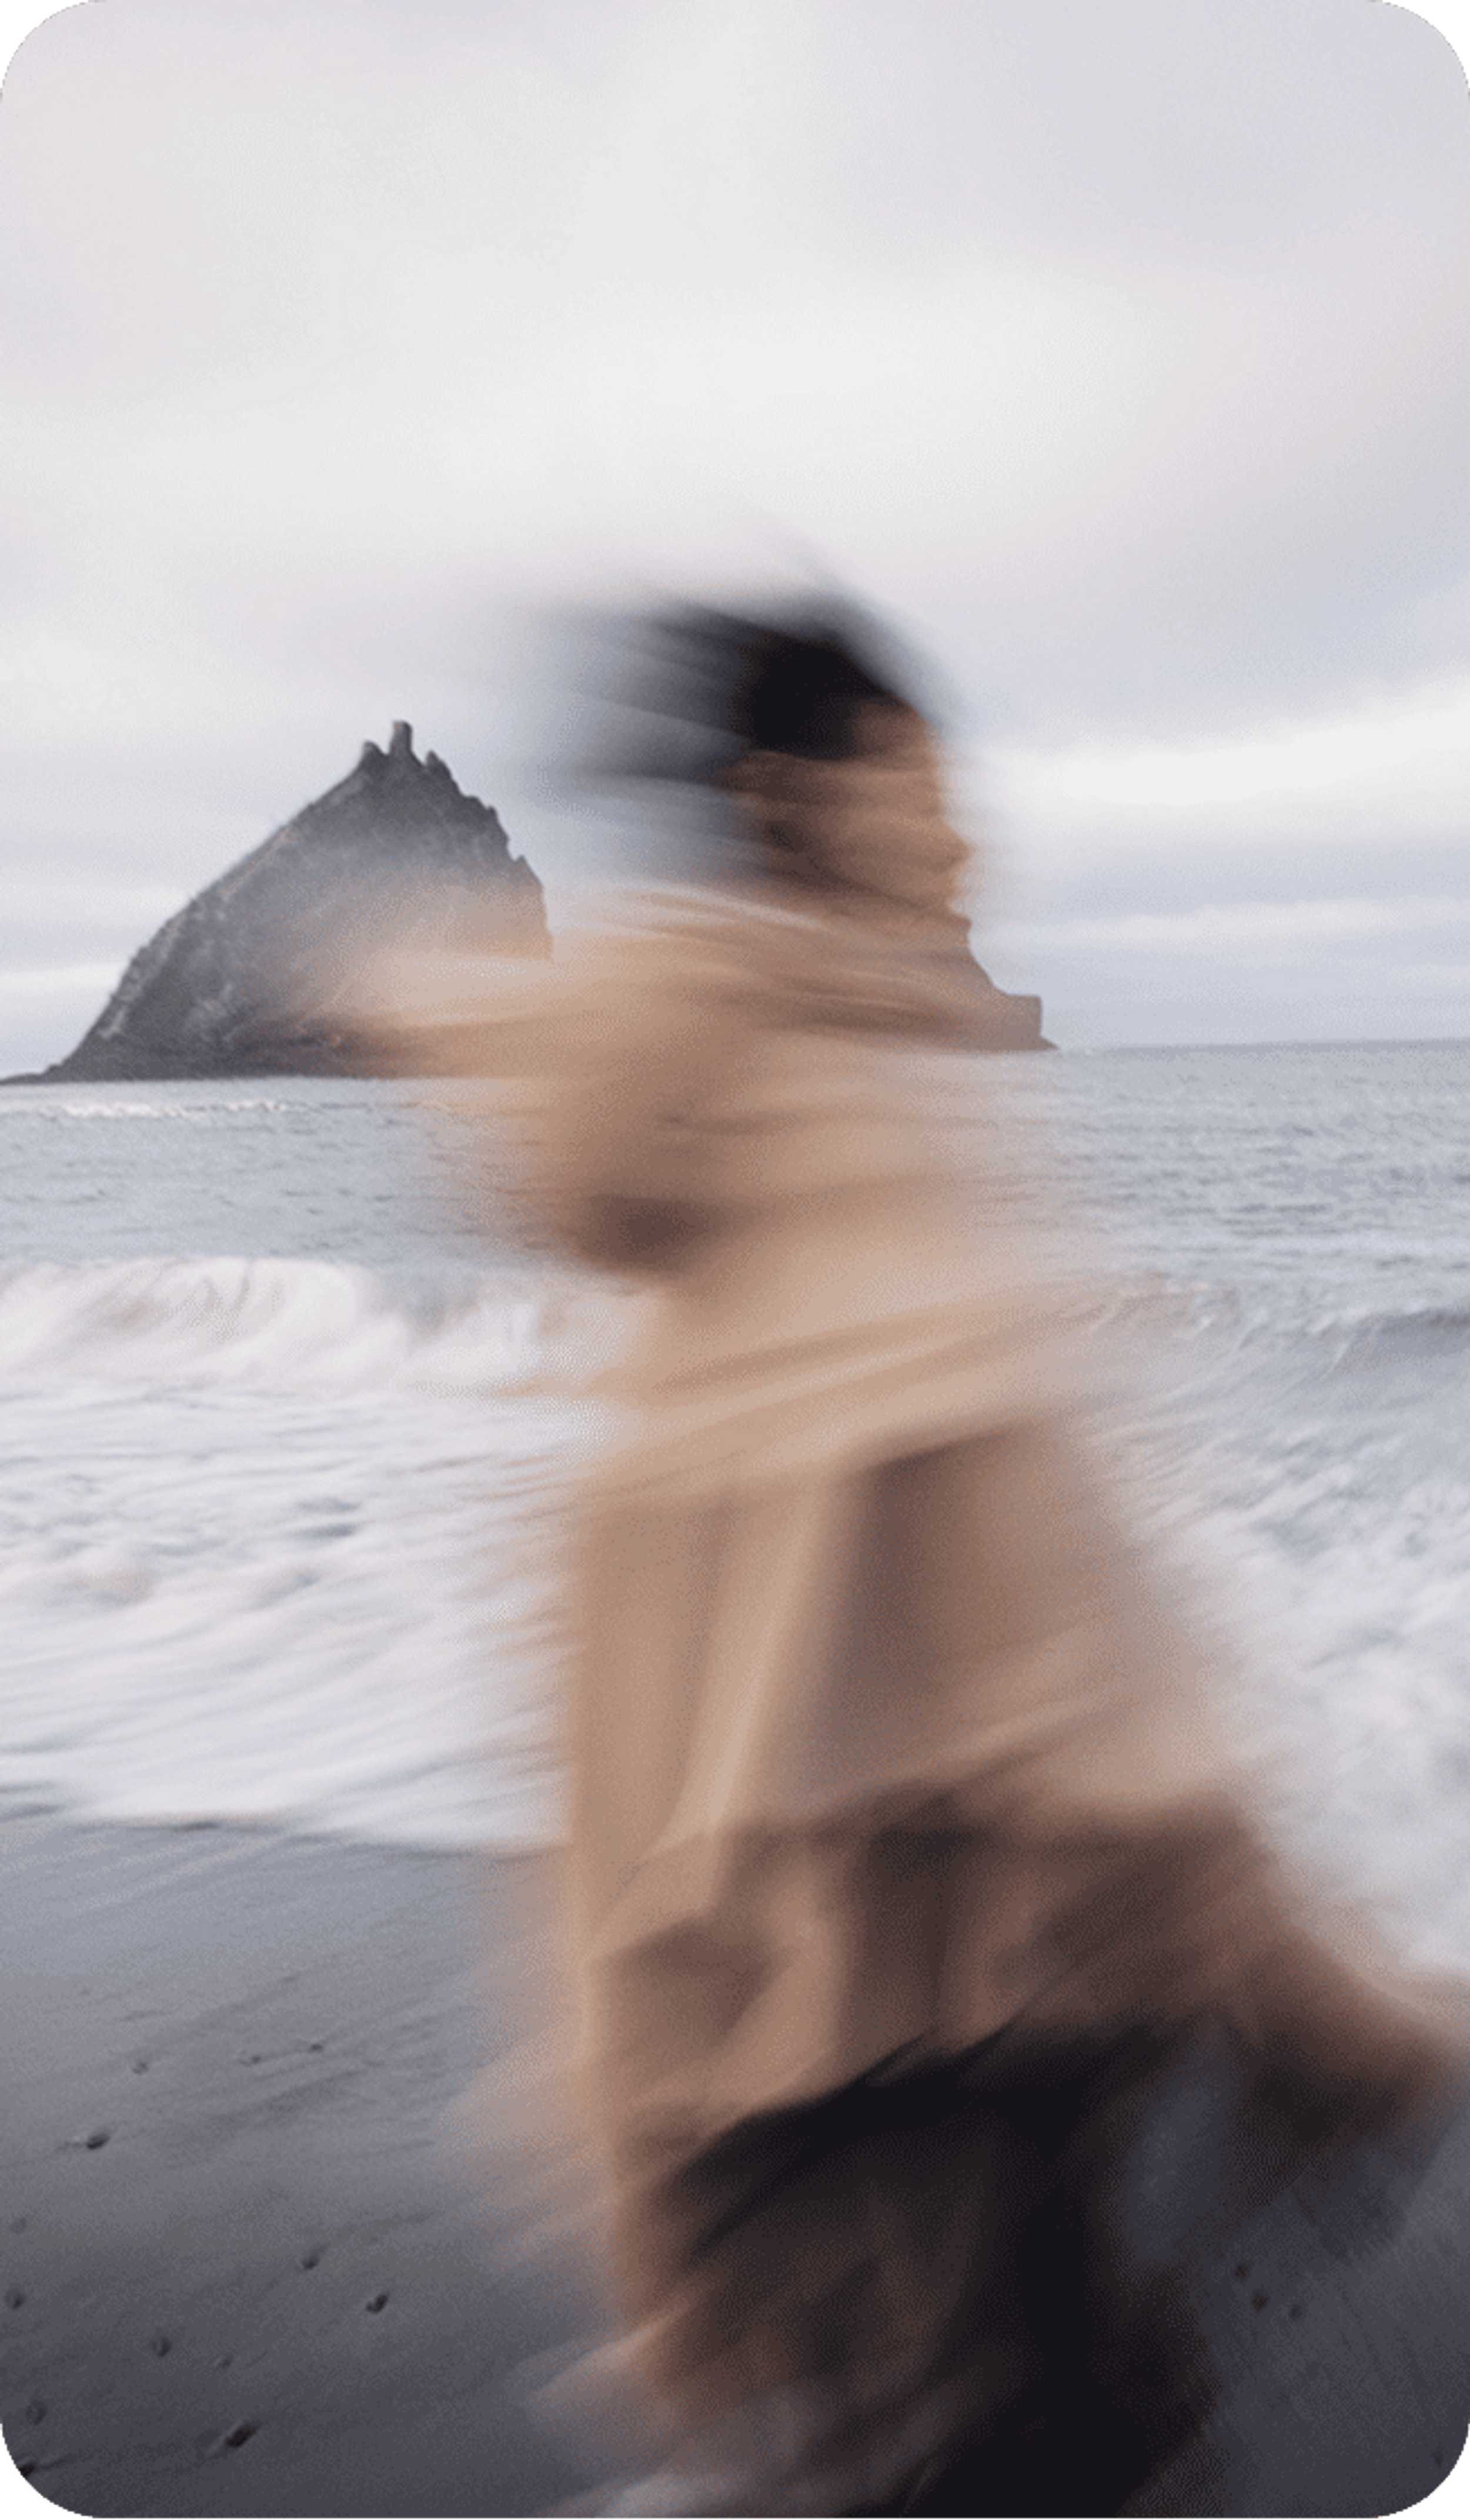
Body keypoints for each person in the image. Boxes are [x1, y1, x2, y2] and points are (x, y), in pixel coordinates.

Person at [388, 606, 1469, 2518]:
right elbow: (1046, 1635)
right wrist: (1304, 1988)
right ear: (793, 798)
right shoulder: (844, 1129)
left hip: (768, 2010)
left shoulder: (734, 1148)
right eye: (924, 787)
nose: (967, 837)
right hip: (949, 1983)